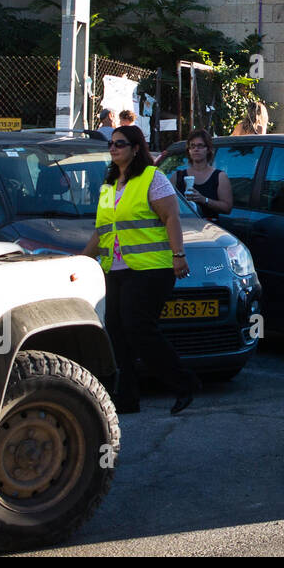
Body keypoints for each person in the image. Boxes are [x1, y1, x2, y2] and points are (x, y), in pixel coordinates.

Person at [80, 123, 198, 415]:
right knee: (118, 332)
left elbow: (171, 217)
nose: (113, 148)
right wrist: (81, 261)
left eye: (120, 144)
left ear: (135, 149)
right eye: (111, 144)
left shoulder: (151, 178)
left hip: (151, 269)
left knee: (138, 327)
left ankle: (184, 383)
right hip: (116, 269)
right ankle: (128, 397)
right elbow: (102, 231)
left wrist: (178, 255)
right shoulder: (109, 185)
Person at [171, 129, 233, 220]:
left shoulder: (219, 176)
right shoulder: (177, 176)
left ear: (208, 149)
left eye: (200, 146)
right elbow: (166, 204)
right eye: (192, 146)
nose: (196, 149)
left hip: (210, 229)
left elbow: (227, 208)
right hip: (185, 228)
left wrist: (203, 199)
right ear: (189, 150)